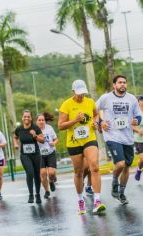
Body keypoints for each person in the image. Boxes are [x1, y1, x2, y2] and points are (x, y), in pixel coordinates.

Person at [58, 79, 106, 214]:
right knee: (78, 172)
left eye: (83, 93)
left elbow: (96, 114)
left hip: (89, 139)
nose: (81, 96)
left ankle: (97, 200)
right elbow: (60, 126)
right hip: (74, 142)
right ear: (73, 91)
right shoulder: (66, 105)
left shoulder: (90, 102)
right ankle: (80, 200)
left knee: (95, 167)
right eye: (79, 93)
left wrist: (96, 122)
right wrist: (75, 120)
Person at [97, 75, 141, 205]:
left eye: (124, 82)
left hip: (127, 137)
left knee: (127, 166)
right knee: (120, 164)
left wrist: (136, 120)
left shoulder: (132, 98)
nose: (123, 84)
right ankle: (114, 181)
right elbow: (94, 110)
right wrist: (101, 122)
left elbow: (138, 115)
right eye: (120, 82)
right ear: (114, 85)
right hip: (112, 136)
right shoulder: (106, 98)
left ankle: (121, 193)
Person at [14, 110, 45, 204]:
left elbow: (42, 140)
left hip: (35, 154)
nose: (26, 118)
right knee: (30, 172)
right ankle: (31, 195)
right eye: (25, 116)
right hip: (24, 155)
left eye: (28, 116)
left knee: (36, 174)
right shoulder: (19, 129)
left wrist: (35, 135)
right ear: (22, 118)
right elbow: (15, 137)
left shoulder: (35, 127)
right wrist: (15, 144)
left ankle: (38, 194)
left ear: (31, 118)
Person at [36, 112, 58, 199]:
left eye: (43, 120)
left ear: (45, 121)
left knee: (51, 173)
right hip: (40, 155)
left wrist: (54, 143)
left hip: (50, 152)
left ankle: (51, 181)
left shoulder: (49, 128)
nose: (41, 122)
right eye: (39, 120)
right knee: (43, 173)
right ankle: (47, 191)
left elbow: (56, 139)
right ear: (36, 121)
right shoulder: (34, 130)